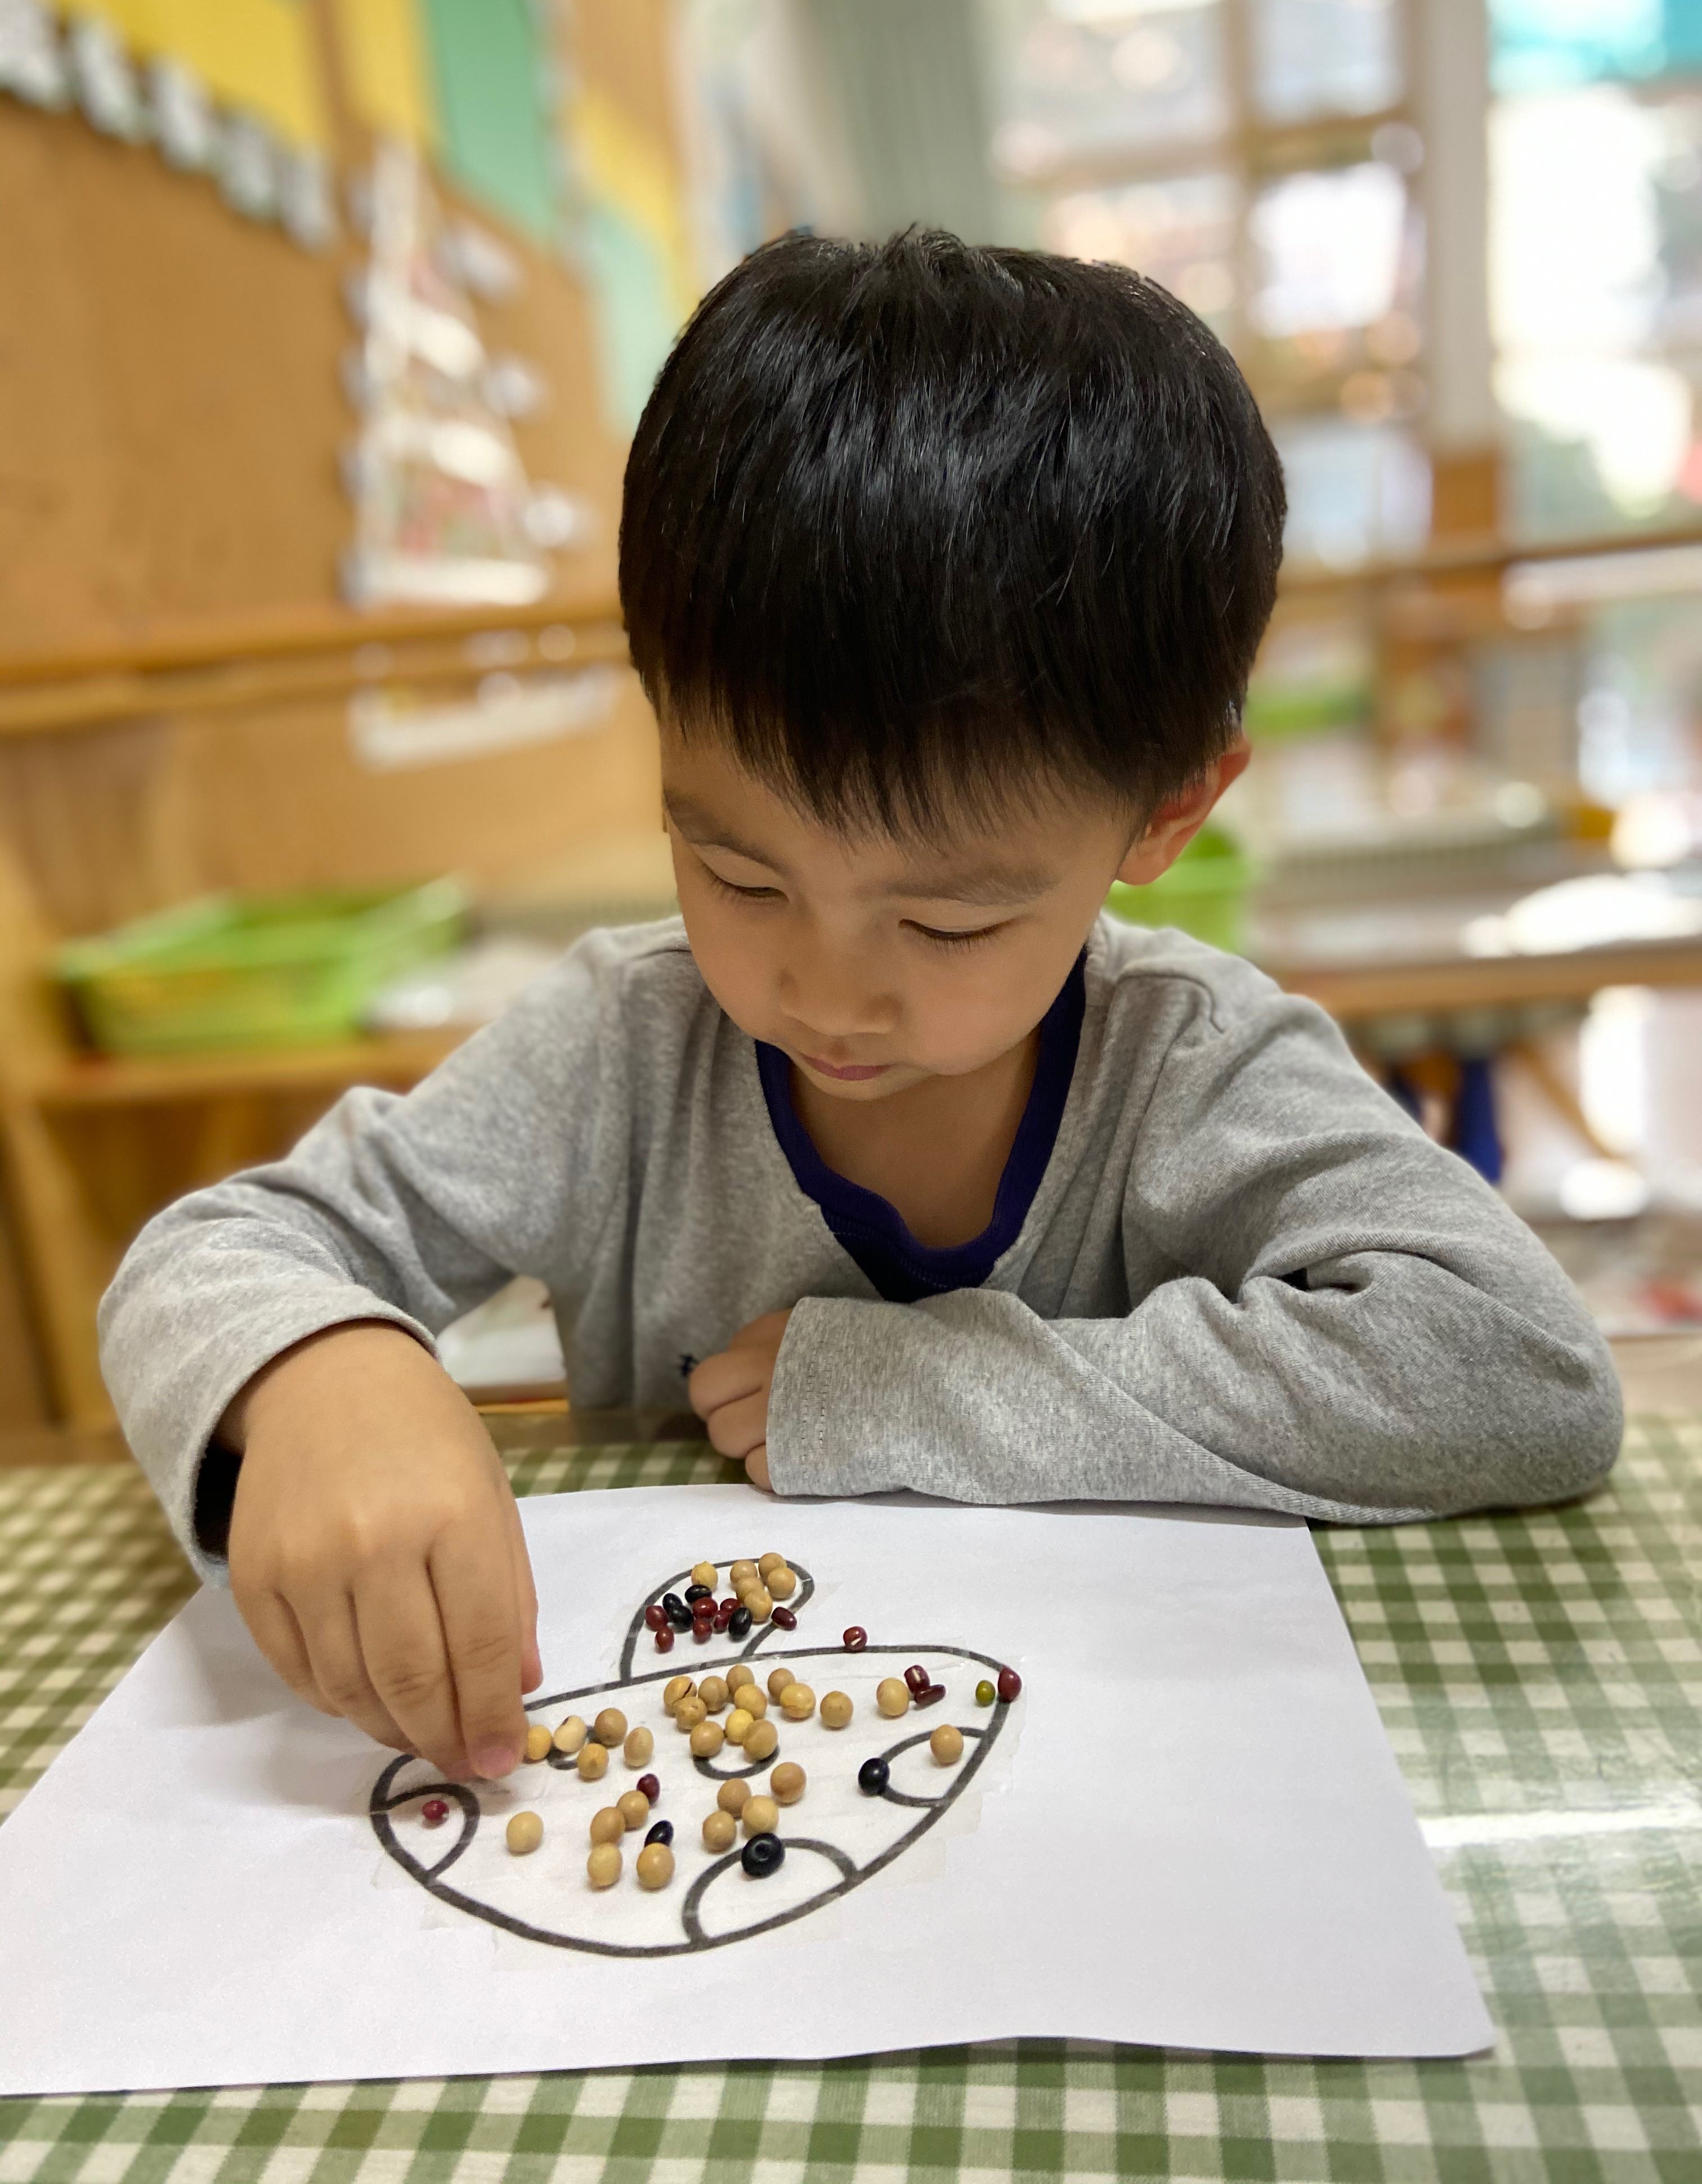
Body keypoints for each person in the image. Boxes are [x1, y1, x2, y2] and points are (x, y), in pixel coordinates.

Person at [100, 230, 1621, 1789]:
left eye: (949, 915)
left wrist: (927, 1386)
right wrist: (319, 1374)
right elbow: (214, 1254)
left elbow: (1521, 1371)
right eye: (736, 872)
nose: (821, 989)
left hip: (1107, 1784)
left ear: (1167, 813)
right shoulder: (623, 1048)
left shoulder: (1185, 1058)